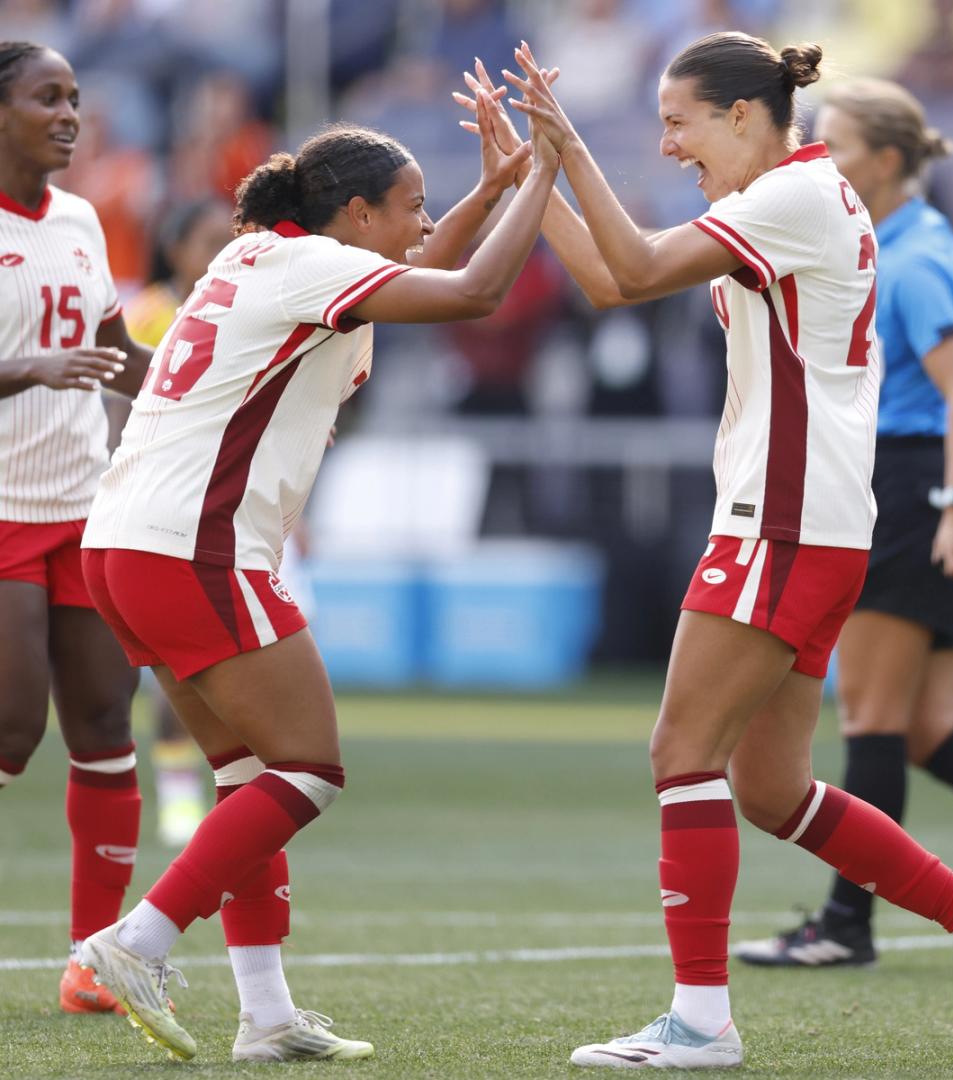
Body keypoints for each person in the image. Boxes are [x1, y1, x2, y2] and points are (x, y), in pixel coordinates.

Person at [464, 33, 953, 1068]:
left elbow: (634, 267)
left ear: (743, 115)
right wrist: (536, 174)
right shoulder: (800, 197)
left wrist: (563, 153)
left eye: (679, 120)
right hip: (812, 525)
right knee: (771, 790)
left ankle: (701, 1023)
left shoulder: (793, 198)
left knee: (679, 756)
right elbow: (611, 278)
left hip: (780, 525)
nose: (668, 143)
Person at [76, 94, 559, 1064]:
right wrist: (545, 176)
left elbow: (420, 262)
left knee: (247, 776)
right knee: (310, 768)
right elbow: (467, 292)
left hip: (128, 541)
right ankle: (138, 941)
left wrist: (493, 188)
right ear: (355, 215)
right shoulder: (310, 266)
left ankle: (265, 1016)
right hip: (194, 544)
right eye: (413, 202)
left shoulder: (265, 254)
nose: (428, 219)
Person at [732, 78, 953, 970]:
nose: (821, 158)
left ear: (886, 161)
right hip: (926, 484)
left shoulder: (915, 257)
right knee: (930, 730)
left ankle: (848, 926)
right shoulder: (905, 238)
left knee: (876, 719)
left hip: (917, 486)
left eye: (837, 143)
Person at [0, 40, 156, 1016]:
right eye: (45, 98)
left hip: (81, 506)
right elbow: (58, 362)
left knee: (104, 725)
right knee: (12, 731)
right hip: (3, 509)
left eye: (75, 98)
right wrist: (28, 371)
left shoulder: (83, 219)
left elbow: (112, 351)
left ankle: (89, 965)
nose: (69, 114)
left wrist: (214, 393)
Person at [125, 197, 233, 847]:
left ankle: (241, 791)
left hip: (238, 511)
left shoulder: (244, 304)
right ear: (177, 249)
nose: (225, 249)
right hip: (163, 511)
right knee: (179, 668)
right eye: (212, 238)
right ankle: (177, 793)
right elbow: (116, 413)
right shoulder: (148, 317)